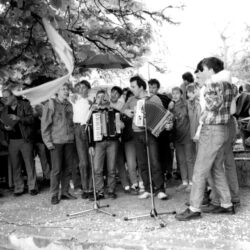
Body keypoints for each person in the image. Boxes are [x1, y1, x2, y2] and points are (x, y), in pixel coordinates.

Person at [176, 57, 235, 221]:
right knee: (216, 168)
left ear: (209, 69)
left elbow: (213, 105)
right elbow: (231, 109)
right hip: (223, 129)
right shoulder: (230, 84)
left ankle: (194, 208)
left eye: (201, 70)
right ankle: (226, 204)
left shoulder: (211, 85)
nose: (199, 73)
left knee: (199, 170)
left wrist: (205, 92)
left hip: (211, 130)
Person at [122, 75, 168, 200]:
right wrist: (127, 112)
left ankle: (160, 189)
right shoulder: (131, 100)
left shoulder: (154, 98)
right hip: (136, 133)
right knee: (142, 162)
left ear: (141, 87)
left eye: (133, 87)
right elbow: (122, 109)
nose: (131, 89)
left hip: (151, 133)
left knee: (155, 161)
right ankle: (148, 189)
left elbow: (164, 115)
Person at [41, 84, 76, 205]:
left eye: (67, 89)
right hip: (56, 141)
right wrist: (47, 141)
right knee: (56, 170)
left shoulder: (70, 105)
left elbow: (72, 123)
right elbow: (45, 124)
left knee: (67, 169)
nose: (66, 92)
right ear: (57, 91)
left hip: (69, 141)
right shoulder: (50, 104)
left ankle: (65, 192)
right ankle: (54, 194)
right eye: (63, 89)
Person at [1, 89, 38, 196]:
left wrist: (18, 118)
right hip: (12, 141)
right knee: (15, 165)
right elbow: (2, 123)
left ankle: (32, 187)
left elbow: (32, 119)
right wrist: (5, 127)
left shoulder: (25, 105)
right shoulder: (5, 109)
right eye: (3, 97)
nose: (4, 99)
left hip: (25, 139)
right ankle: (19, 187)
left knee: (29, 164)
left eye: (6, 97)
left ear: (13, 96)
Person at [91, 89, 121, 200]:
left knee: (111, 168)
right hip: (98, 143)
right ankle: (99, 191)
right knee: (97, 168)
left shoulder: (114, 110)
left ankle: (111, 190)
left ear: (107, 97)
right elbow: (89, 129)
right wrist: (90, 145)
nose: (101, 99)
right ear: (96, 99)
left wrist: (119, 127)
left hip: (112, 142)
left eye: (103, 96)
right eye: (99, 97)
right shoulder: (93, 112)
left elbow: (120, 124)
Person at [70, 80, 93, 199]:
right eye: (79, 87)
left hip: (88, 129)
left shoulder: (90, 101)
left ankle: (91, 187)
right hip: (77, 129)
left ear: (88, 89)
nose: (81, 89)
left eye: (83, 87)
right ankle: (85, 188)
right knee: (83, 162)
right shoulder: (74, 99)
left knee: (90, 159)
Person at [170, 87, 195, 192]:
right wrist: (170, 109)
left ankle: (192, 182)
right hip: (177, 136)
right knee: (181, 160)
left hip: (187, 135)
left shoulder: (187, 104)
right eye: (173, 93)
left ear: (181, 94)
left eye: (177, 93)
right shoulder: (171, 107)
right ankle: (184, 182)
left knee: (189, 159)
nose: (175, 95)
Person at [148, 79, 173, 181]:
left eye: (153, 87)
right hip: (151, 130)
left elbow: (171, 106)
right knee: (155, 155)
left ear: (157, 88)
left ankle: (166, 172)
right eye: (150, 87)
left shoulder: (164, 98)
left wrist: (172, 102)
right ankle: (157, 177)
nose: (151, 89)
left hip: (163, 131)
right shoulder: (147, 98)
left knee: (164, 153)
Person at [110, 86, 130, 192]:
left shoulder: (122, 105)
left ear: (119, 96)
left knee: (120, 160)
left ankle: (125, 183)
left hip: (118, 137)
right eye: (112, 92)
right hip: (104, 139)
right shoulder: (105, 102)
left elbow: (123, 120)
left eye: (116, 93)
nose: (113, 95)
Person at [186, 84, 201, 157]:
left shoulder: (200, 104)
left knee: (199, 154)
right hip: (189, 134)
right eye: (188, 92)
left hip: (199, 134)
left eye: (192, 92)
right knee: (191, 156)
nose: (189, 94)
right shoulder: (186, 104)